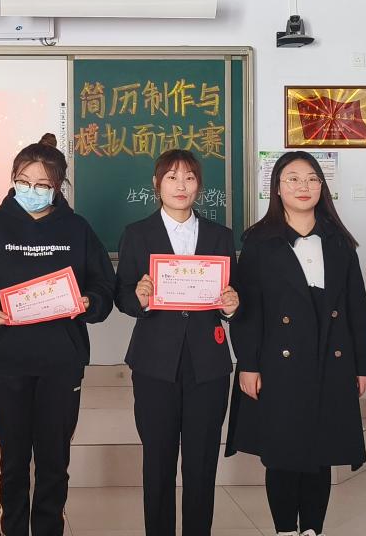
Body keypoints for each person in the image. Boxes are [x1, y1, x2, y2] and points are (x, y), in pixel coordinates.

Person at [0, 133, 115, 536]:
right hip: (7, 361)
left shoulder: (77, 229)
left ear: (58, 186)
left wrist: (89, 301)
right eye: (24, 182)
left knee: (53, 462)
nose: (32, 191)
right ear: (13, 180)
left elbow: (104, 286)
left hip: (61, 362)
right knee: (11, 462)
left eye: (43, 184)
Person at [226, 151, 366, 536]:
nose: (302, 186)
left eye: (311, 179)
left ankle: (312, 529)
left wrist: (362, 365)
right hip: (278, 364)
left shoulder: (339, 242)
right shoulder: (259, 241)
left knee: (321, 452)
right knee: (282, 452)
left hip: (331, 359)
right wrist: (248, 364)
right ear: (277, 188)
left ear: (322, 187)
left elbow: (356, 307)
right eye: (292, 178)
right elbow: (249, 310)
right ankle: (284, 530)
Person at [115, 149, 240, 536]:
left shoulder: (220, 236)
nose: (181, 185)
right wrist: (139, 297)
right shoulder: (137, 233)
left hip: (208, 364)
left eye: (189, 177)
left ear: (199, 185)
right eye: (172, 177)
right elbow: (122, 296)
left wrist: (232, 307)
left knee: (202, 463)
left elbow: (232, 298)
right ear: (157, 184)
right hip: (154, 362)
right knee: (158, 461)